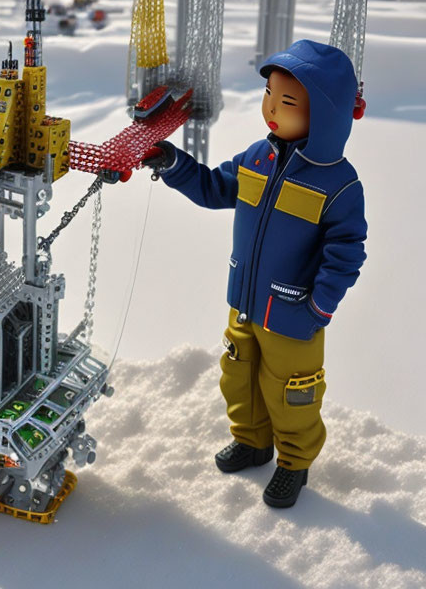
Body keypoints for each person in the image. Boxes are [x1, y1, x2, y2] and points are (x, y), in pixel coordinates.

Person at [141, 40, 367, 508]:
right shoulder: (256, 158)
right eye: (269, 95)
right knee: (238, 374)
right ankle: (252, 440)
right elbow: (214, 188)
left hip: (293, 313)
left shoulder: (338, 184)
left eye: (286, 103)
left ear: (323, 116)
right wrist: (173, 164)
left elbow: (346, 252)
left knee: (291, 392)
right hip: (245, 300)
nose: (271, 110)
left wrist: (318, 307)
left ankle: (294, 462)